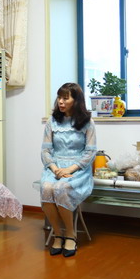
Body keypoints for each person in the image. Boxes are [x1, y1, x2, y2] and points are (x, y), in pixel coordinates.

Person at [40, 82, 97, 257]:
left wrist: (70, 169)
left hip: (78, 168)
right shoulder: (52, 121)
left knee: (61, 187)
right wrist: (55, 168)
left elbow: (90, 152)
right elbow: (45, 150)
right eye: (59, 97)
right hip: (55, 167)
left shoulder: (88, 122)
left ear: (76, 100)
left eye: (65, 98)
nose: (60, 101)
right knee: (47, 187)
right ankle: (58, 234)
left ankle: (71, 235)